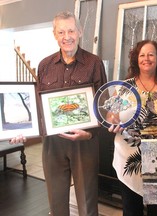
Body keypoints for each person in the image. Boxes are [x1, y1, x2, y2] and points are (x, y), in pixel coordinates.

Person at [10, 11, 107, 216]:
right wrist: (25, 130)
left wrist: (90, 134)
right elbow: (38, 105)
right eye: (61, 32)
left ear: (79, 32)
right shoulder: (45, 65)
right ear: (55, 34)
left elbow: (103, 106)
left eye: (71, 30)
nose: (67, 36)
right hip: (52, 144)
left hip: (84, 142)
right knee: (56, 204)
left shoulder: (94, 63)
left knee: (87, 206)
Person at [108, 40, 157, 216]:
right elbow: (111, 115)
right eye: (142, 55)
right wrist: (112, 122)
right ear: (136, 59)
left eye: (151, 54)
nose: (146, 58)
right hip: (129, 159)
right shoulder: (124, 87)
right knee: (131, 210)